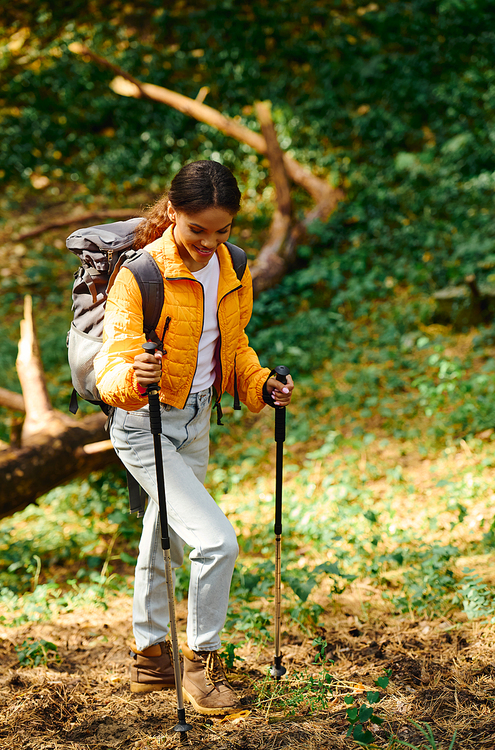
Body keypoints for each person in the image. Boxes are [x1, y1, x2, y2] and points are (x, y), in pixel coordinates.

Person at [93, 160, 294, 715]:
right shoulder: (139, 275)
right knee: (216, 542)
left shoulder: (234, 267)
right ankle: (202, 668)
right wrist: (136, 378)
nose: (209, 243)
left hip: (198, 419)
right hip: (144, 425)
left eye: (222, 230)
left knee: (167, 534)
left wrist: (261, 385)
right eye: (197, 230)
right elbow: (112, 368)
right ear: (173, 214)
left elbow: (234, 349)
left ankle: (151, 657)